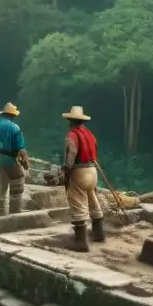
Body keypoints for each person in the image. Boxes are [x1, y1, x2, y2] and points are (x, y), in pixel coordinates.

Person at [60, 106, 105, 252]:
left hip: (79, 171)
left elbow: (72, 153)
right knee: (93, 200)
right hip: (92, 170)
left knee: (77, 202)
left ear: (70, 120)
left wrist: (67, 170)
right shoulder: (89, 134)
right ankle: (99, 233)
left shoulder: (72, 135)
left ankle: (81, 242)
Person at [0, 102, 28, 215]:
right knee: (17, 184)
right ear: (12, 115)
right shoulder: (14, 127)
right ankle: (15, 211)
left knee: (1, 187)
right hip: (10, 161)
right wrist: (26, 165)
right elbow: (21, 150)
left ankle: (0, 211)